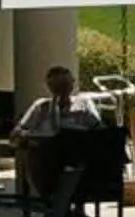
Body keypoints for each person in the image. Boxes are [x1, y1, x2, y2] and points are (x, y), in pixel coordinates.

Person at [13, 65, 97, 204]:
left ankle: (64, 207)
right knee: (39, 156)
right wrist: (29, 136)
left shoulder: (84, 104)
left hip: (78, 157)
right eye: (57, 87)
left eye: (66, 85)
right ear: (50, 87)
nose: (62, 90)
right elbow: (19, 131)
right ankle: (54, 204)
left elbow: (98, 129)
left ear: (72, 85)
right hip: (49, 158)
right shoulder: (41, 106)